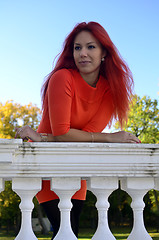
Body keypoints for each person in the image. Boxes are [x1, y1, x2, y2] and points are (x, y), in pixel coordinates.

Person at [15, 21, 141, 239]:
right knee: (64, 229)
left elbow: (82, 140)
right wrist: (110, 138)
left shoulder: (111, 91)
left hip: (75, 161)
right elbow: (64, 133)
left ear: (104, 53)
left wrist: (41, 137)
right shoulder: (62, 78)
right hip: (46, 161)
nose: (83, 53)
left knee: (73, 230)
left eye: (91, 47)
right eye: (77, 47)